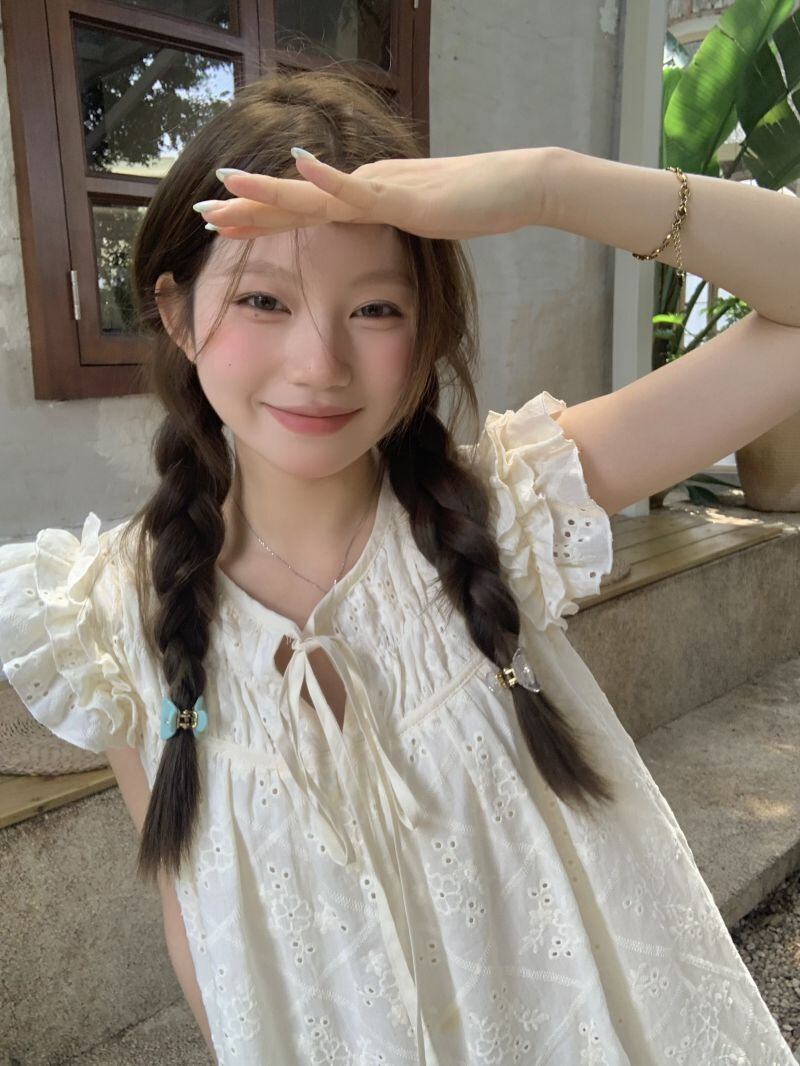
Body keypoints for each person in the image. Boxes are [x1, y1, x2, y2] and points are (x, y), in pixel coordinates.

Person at [1, 64, 799, 1066]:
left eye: (376, 308)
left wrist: (547, 185)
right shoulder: (108, 615)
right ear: (175, 311)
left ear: (427, 330)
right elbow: (196, 915)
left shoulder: (510, 507)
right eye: (262, 299)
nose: (318, 363)